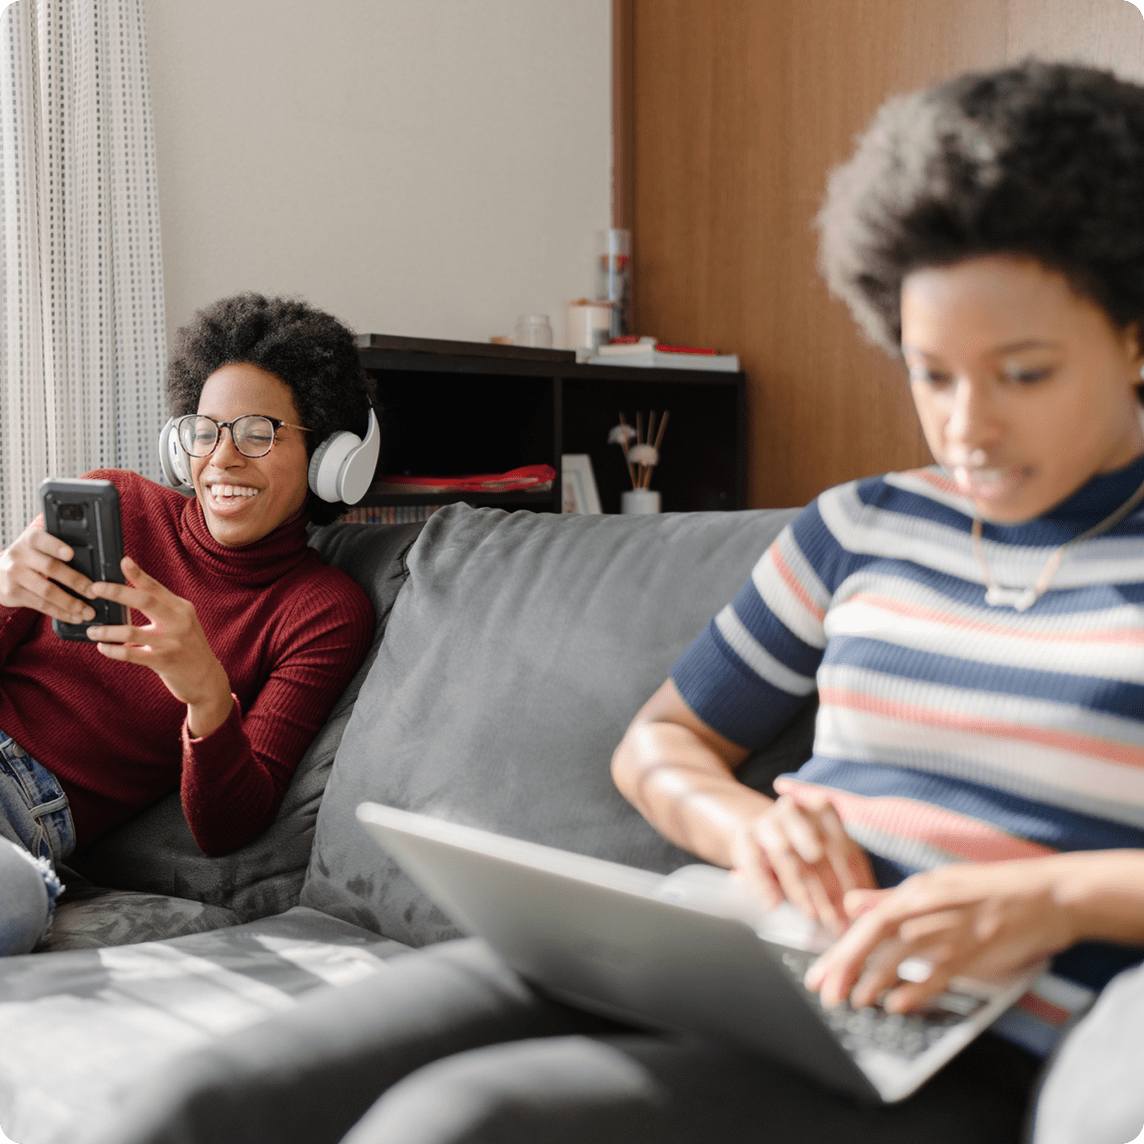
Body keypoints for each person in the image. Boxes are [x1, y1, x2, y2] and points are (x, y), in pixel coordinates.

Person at [83, 62, 1144, 1144]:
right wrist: (752, 828)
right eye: (932, 375)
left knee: (461, 1122)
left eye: (1021, 374)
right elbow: (661, 750)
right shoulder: (865, 525)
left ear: (1132, 334)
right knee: (185, 1106)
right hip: (739, 945)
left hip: (969, 1034)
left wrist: (1052, 899)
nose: (966, 428)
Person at [0, 293, 378, 956]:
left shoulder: (320, 610)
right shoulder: (116, 501)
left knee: (13, 901)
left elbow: (227, 826)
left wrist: (206, 692)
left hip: (24, 812)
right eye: (206, 431)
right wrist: (4, 589)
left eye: (258, 432)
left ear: (327, 455)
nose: (223, 460)